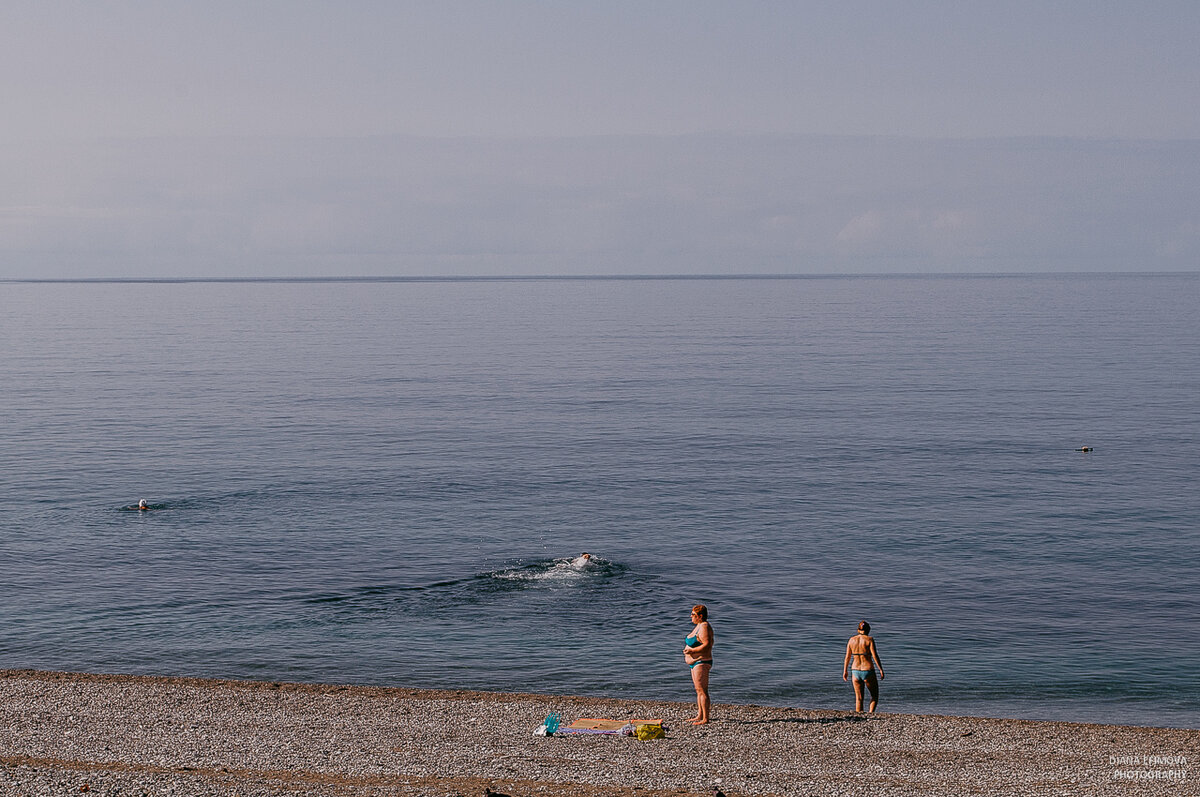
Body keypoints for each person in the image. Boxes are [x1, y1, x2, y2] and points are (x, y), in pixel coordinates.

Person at [842, 620, 884, 712]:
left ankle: (860, 717)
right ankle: (870, 714)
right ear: (868, 630)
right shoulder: (869, 639)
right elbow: (874, 655)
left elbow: (847, 657)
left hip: (855, 670)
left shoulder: (851, 640)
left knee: (859, 698)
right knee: (874, 695)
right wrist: (880, 669)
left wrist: (845, 671)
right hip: (868, 670)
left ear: (858, 630)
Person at [683, 604, 714, 724]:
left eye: (693, 615)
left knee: (702, 690)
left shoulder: (704, 626)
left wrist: (692, 651)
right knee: (698, 690)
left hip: (701, 661)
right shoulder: (699, 626)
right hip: (695, 662)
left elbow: (707, 645)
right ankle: (699, 714)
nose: (691, 617)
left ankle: (705, 718)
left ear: (700, 616)